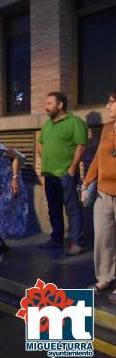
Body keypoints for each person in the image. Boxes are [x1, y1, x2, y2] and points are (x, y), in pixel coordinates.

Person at [37, 92, 88, 255]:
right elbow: (40, 143)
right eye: (46, 104)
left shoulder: (75, 122)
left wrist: (73, 168)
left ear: (60, 105)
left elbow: (81, 146)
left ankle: (77, 242)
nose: (46, 107)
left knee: (72, 209)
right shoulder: (47, 125)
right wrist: (45, 159)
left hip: (66, 174)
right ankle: (57, 239)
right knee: (54, 209)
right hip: (49, 174)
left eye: (50, 103)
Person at [82, 90, 116, 302]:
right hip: (103, 193)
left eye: (112, 102)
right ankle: (105, 278)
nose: (107, 106)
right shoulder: (107, 128)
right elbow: (97, 158)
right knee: (103, 238)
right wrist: (86, 183)